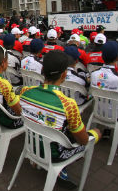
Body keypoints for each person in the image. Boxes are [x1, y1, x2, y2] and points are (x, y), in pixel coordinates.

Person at [20, 50, 101, 188]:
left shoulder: (25, 91)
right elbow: (83, 141)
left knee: (64, 126)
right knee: (95, 133)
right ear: (64, 75)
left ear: (43, 70)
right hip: (55, 154)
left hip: (31, 145)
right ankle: (61, 170)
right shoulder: (68, 104)